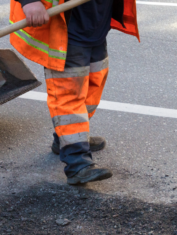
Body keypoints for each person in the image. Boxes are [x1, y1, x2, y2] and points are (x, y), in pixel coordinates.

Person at [10, 0, 139, 184]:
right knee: (69, 96)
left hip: (96, 25)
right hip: (67, 31)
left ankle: (66, 139)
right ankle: (78, 164)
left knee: (94, 84)